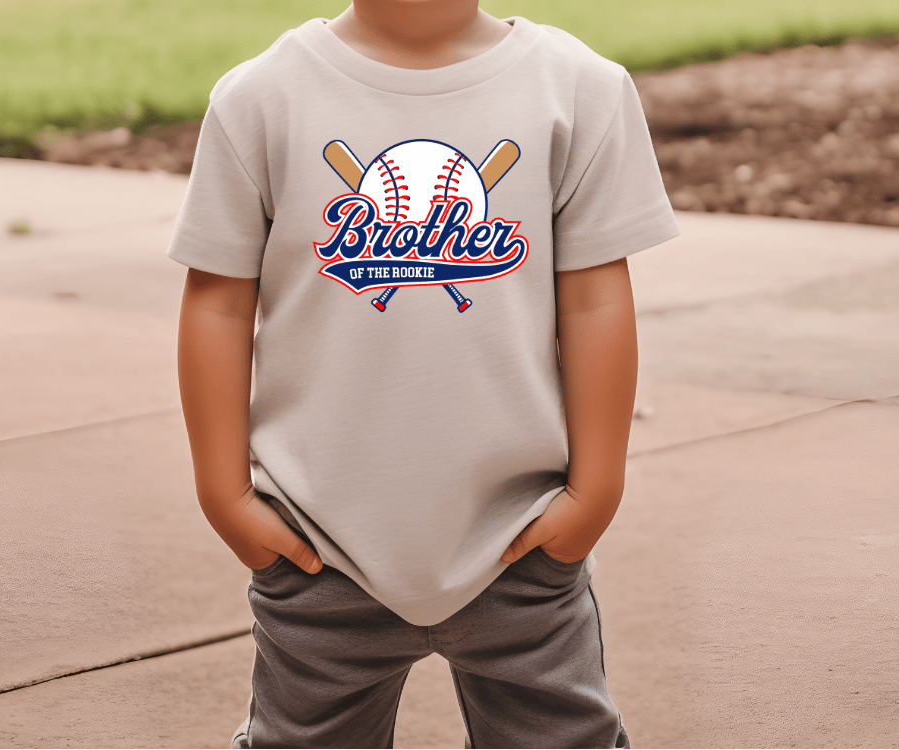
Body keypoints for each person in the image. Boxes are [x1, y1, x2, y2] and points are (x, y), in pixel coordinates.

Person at [167, 0, 680, 747]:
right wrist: (225, 493)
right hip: (317, 540)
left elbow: (598, 300)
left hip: (520, 535)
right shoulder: (262, 96)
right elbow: (216, 303)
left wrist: (595, 489)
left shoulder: (576, 90)